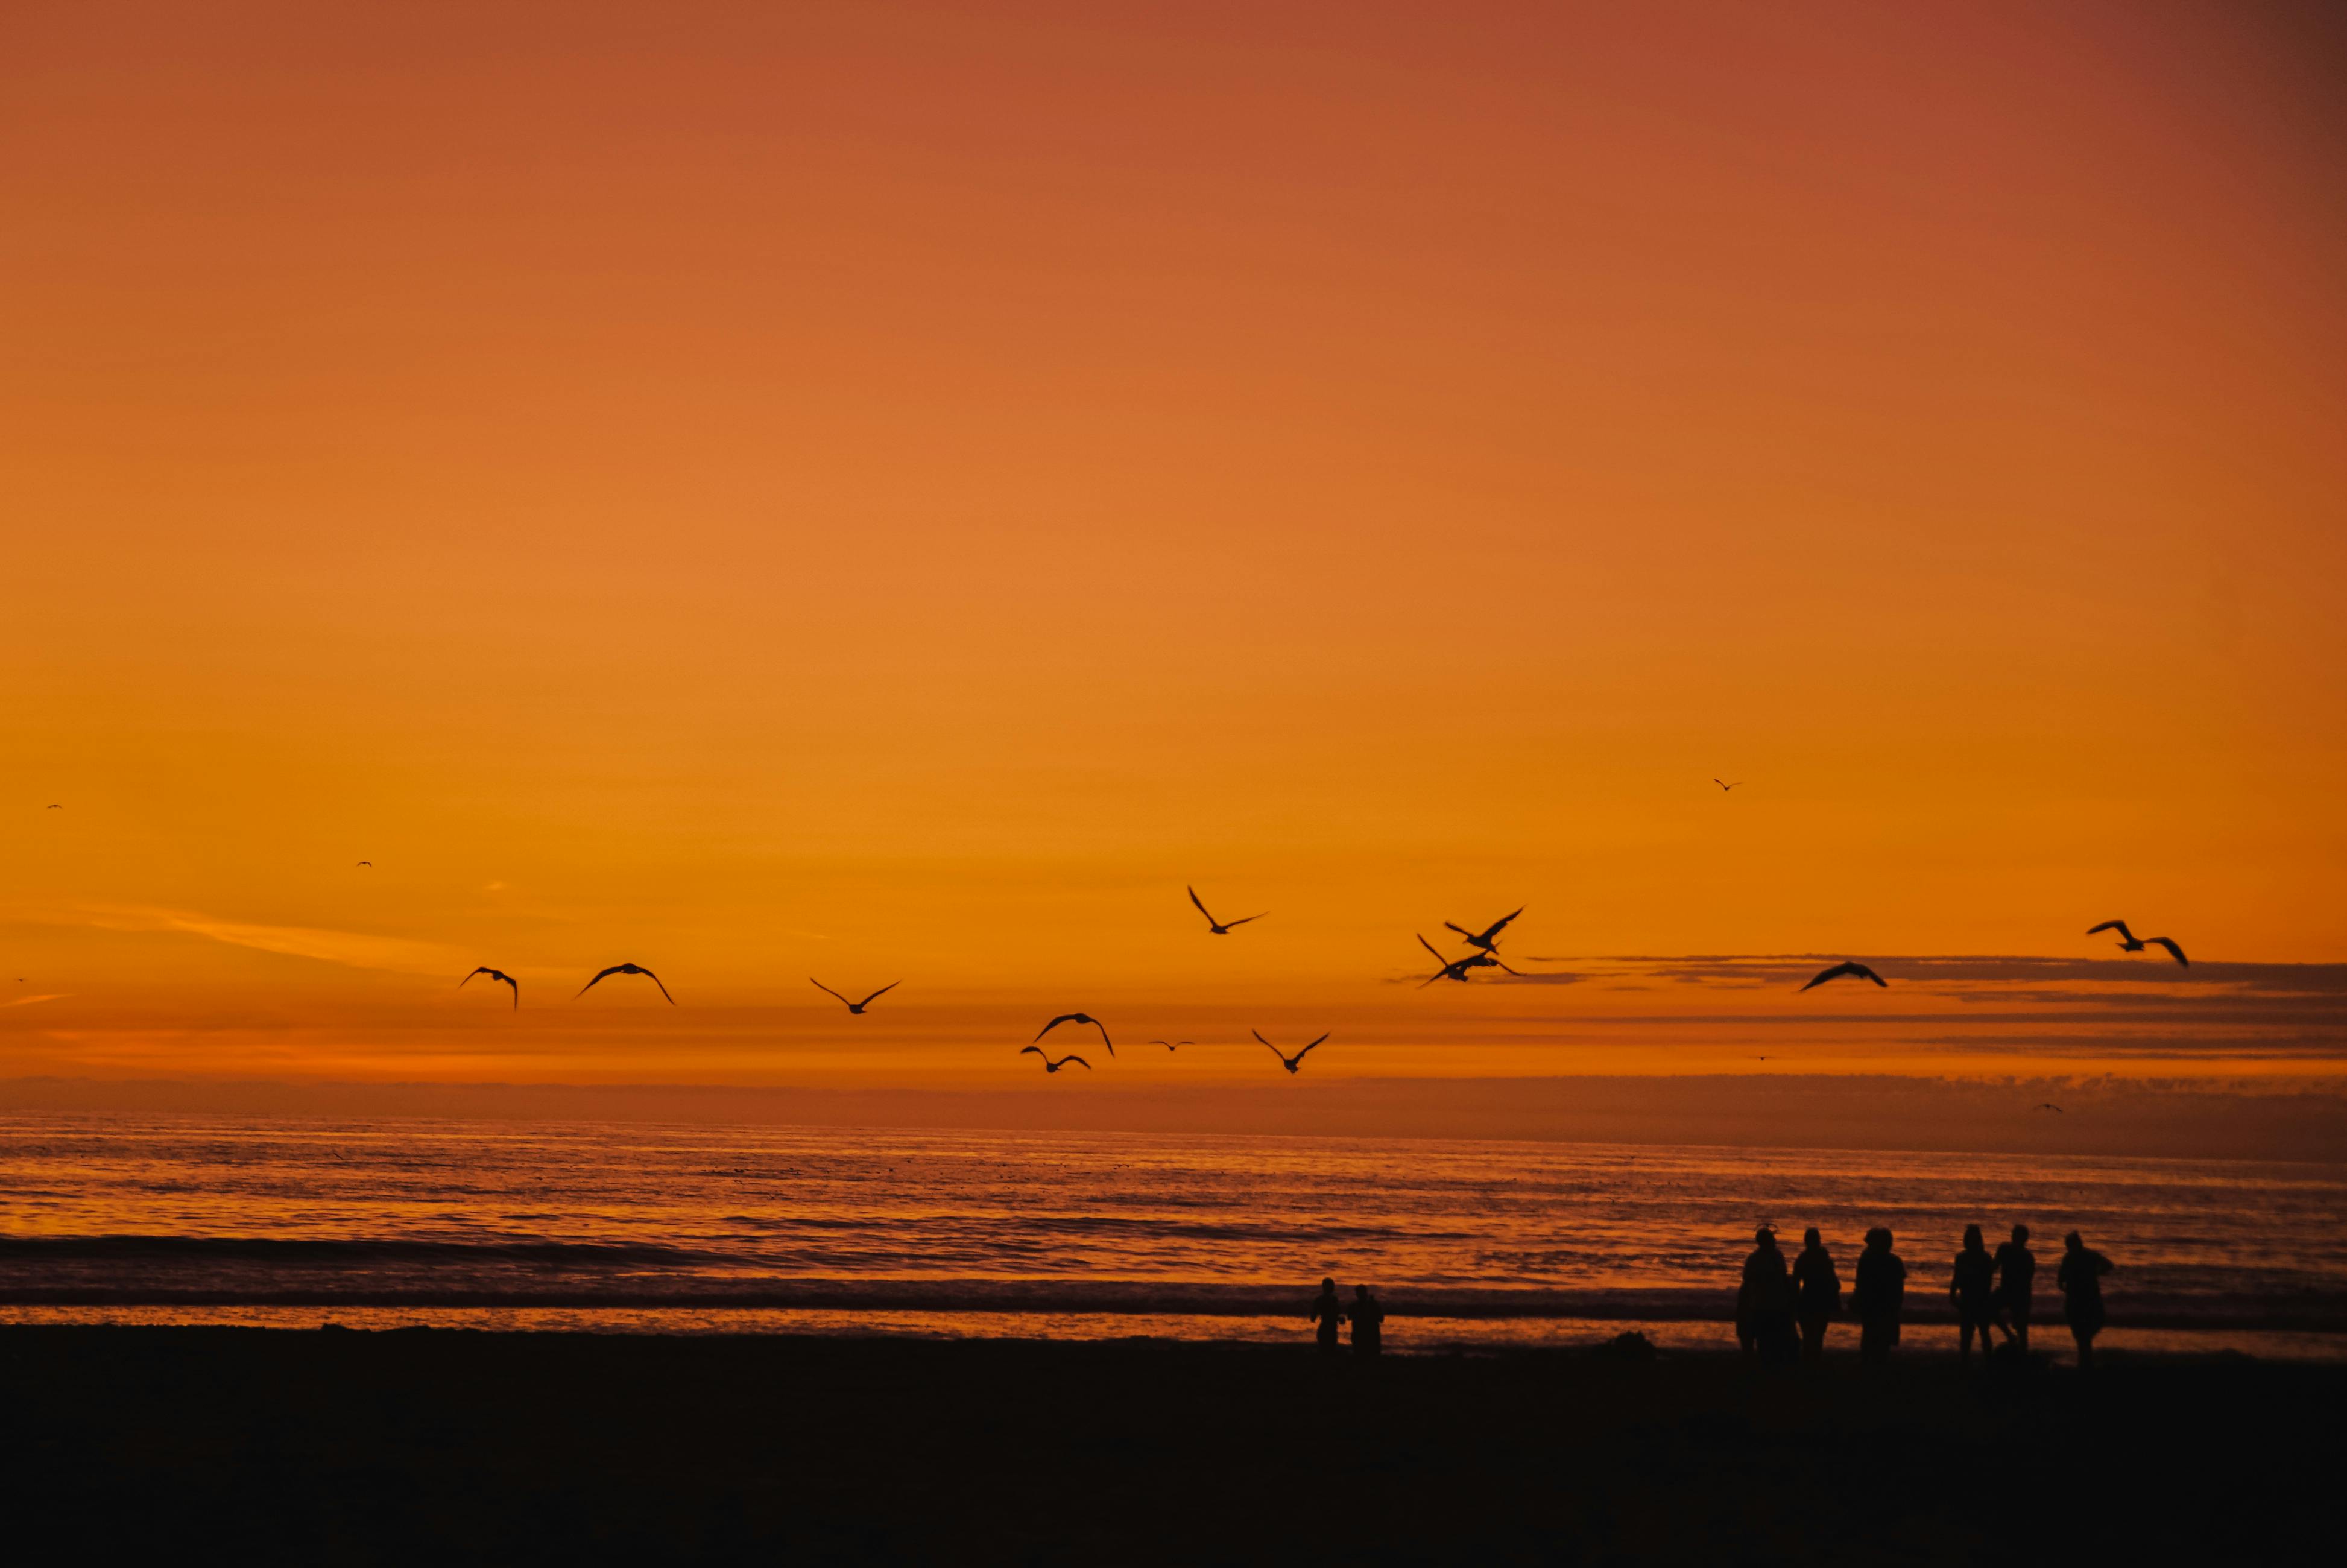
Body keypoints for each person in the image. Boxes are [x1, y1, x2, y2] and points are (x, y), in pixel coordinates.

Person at [1739, 1227, 1797, 1363]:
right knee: (1772, 1338)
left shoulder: (1756, 1258)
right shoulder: (1776, 1256)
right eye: (1772, 1238)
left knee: (1765, 1339)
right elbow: (1782, 1276)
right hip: (1773, 1304)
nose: (1775, 1240)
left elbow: (1747, 1277)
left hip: (1762, 1304)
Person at [2058, 1231, 2115, 1370]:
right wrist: (2097, 1273)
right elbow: (2109, 1265)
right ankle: (2085, 1363)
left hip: (2082, 1300)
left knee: (2082, 1334)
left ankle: (2085, 1363)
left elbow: (2060, 1281)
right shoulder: (2085, 1256)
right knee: (2083, 1334)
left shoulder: (2075, 1257)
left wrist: (2066, 1288)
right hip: (2085, 1299)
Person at [1851, 1227, 1906, 1367]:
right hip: (1883, 1305)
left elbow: (1860, 1283)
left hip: (1873, 1304)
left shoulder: (1867, 1259)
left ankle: (1869, 1365)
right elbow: (1899, 1288)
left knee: (1870, 1336)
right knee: (1881, 1340)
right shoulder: (1893, 1262)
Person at [1951, 1224, 1997, 1365]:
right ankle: (1977, 1361)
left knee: (1975, 1333)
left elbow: (1958, 1279)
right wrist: (1953, 1293)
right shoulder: (1976, 1258)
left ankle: (1976, 1362)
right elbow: (1957, 1278)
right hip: (1973, 1299)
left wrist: (1953, 1293)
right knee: (1973, 1333)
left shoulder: (1981, 1258)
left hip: (1976, 1299)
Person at [1792, 1228, 1840, 1362]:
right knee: (1818, 1334)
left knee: (1809, 1333)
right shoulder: (1824, 1258)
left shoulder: (1803, 1258)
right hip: (1821, 1300)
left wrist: (1793, 1301)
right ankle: (1814, 1360)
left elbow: (1796, 1281)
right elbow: (1833, 1281)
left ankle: (1809, 1360)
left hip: (1808, 1298)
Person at [1993, 1224, 2036, 1353]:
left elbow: (2028, 1279)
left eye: (2017, 1236)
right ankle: (2010, 1336)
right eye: (2014, 1235)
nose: (2014, 1238)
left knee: (2022, 1328)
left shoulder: (2027, 1256)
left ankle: (2022, 1352)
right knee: (1989, 1308)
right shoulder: (2004, 1249)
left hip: (2020, 1294)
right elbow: (1994, 1267)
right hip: (2008, 1291)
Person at [1309, 1278, 1344, 1353]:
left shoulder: (1320, 1299)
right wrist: (1339, 1319)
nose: (1333, 1288)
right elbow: (1333, 1316)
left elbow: (1313, 1318)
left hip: (1326, 1328)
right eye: (1332, 1286)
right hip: (1331, 1329)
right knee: (1330, 1351)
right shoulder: (1334, 1299)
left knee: (1325, 1351)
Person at [1349, 1285, 1385, 1356]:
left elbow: (1350, 1317)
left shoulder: (1354, 1306)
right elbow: (1381, 1319)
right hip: (1369, 1337)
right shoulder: (1373, 1304)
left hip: (1362, 1338)